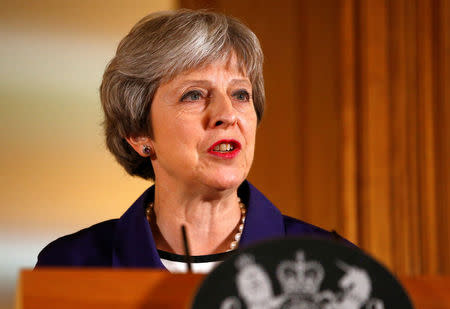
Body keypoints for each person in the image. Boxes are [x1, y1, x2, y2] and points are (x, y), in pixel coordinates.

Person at [36, 9, 350, 273]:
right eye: (194, 95)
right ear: (138, 134)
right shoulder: (71, 265)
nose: (227, 114)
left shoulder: (333, 264)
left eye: (240, 94)